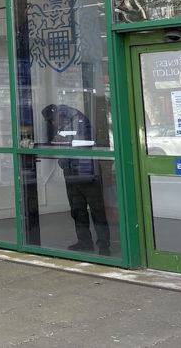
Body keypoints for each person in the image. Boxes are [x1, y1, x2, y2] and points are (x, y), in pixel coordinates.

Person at [42, 103, 111, 256]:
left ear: (58, 115)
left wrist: (64, 142)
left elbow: (84, 144)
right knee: (77, 210)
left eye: (53, 120)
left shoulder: (78, 120)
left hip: (87, 172)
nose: (53, 124)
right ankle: (84, 242)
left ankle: (104, 245)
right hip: (72, 172)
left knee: (96, 211)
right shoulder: (64, 123)